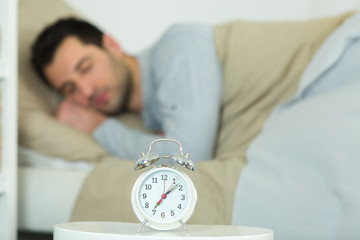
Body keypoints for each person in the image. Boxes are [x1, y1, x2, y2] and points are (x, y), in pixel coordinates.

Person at [31, 17, 223, 163]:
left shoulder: (179, 45)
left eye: (86, 68)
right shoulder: (145, 117)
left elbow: (189, 157)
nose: (87, 91)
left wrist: (100, 127)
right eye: (70, 89)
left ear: (112, 45)